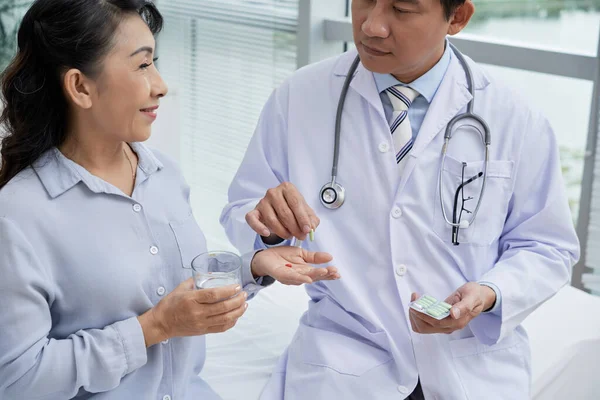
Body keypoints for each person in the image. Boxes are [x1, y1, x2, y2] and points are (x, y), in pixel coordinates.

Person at [220, 0, 581, 398]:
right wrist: (269, 229)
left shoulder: (515, 116)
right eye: (365, 1)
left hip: (469, 365)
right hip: (344, 364)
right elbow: (243, 210)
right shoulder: (298, 97)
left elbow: (547, 245)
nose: (372, 26)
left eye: (402, 9)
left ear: (457, 18)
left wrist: (490, 292)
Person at [0, 1, 340, 399]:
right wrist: (154, 328)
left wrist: (253, 266)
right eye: (142, 65)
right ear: (80, 86)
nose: (160, 85)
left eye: (154, 62)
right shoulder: (20, 214)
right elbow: (17, 381)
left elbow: (165, 283)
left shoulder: (163, 174)